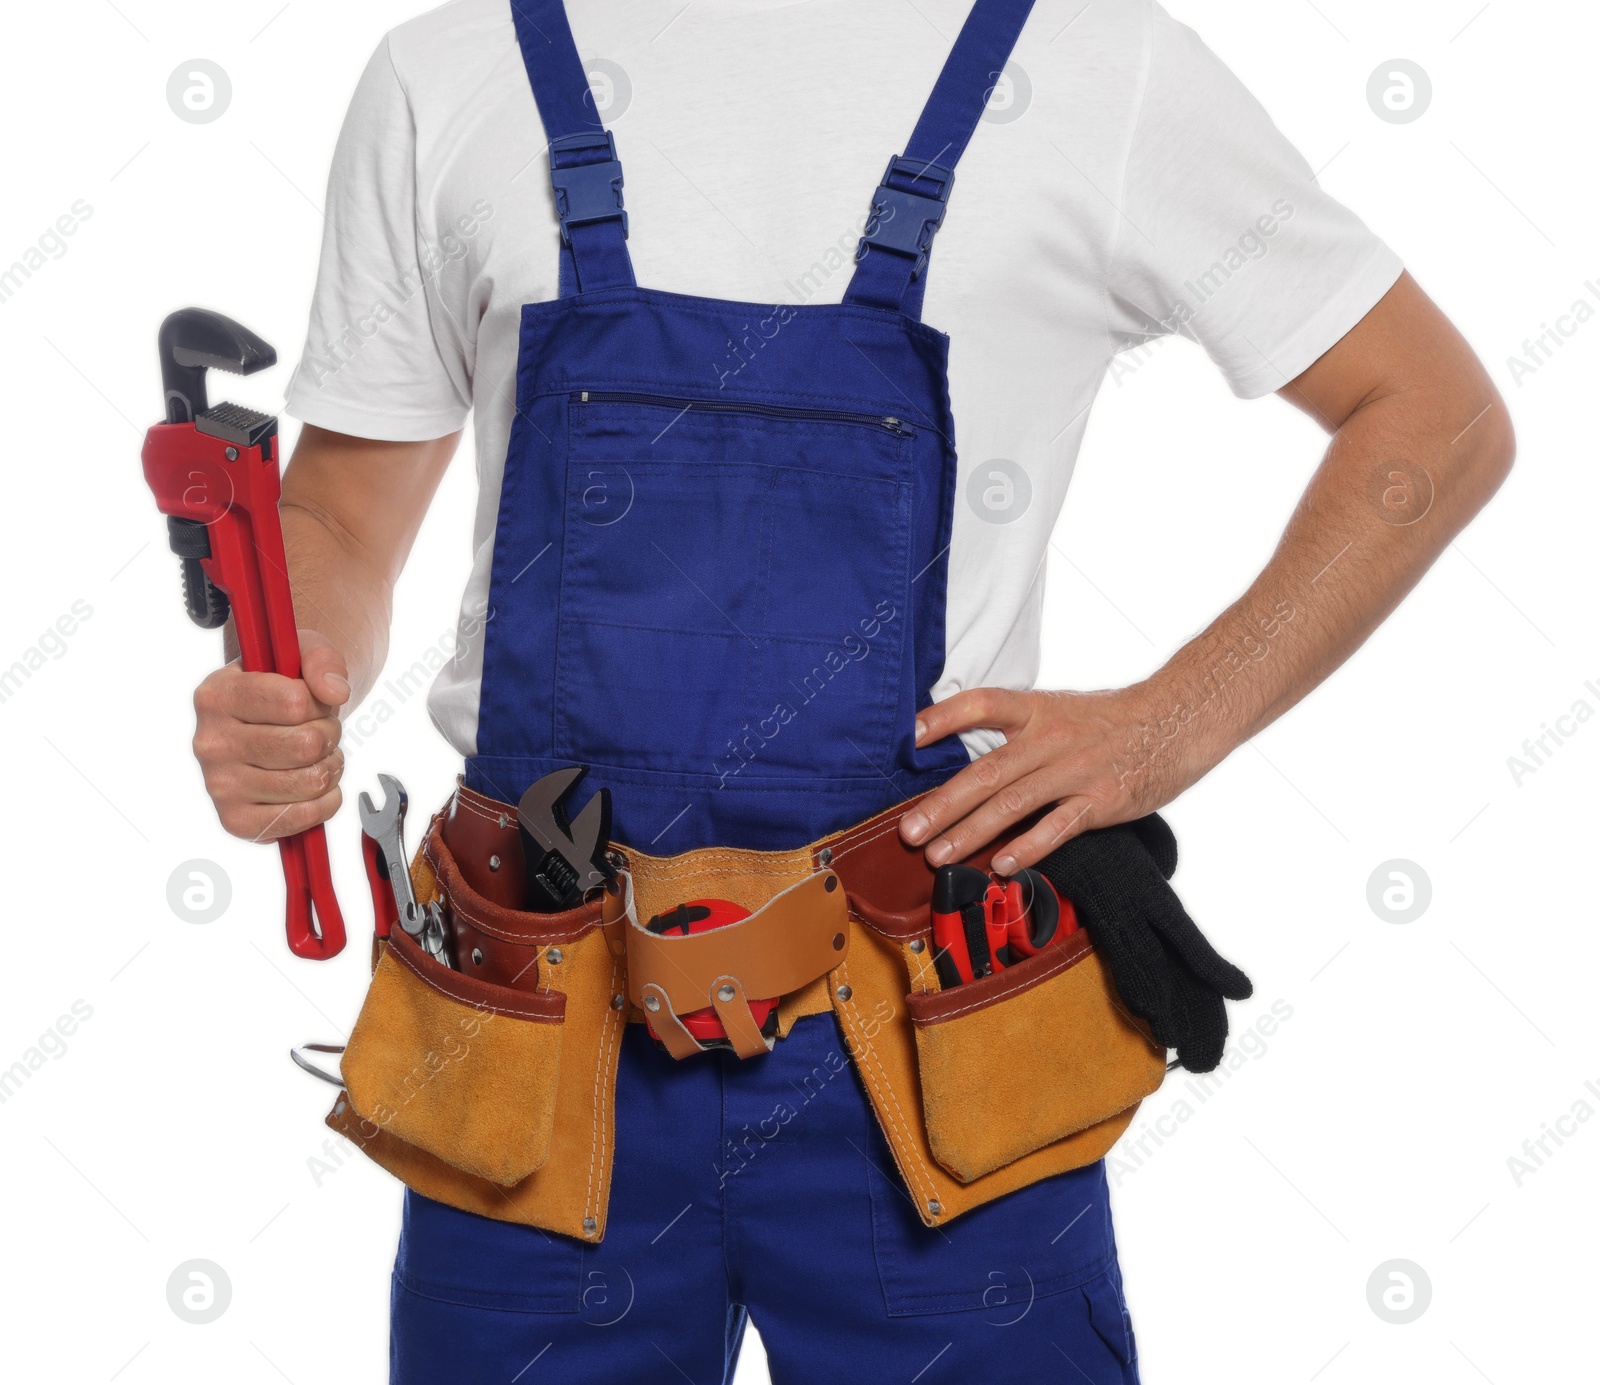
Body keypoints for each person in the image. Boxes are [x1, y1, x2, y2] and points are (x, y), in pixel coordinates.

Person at [190, 1, 1512, 1380]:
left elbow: (1436, 410)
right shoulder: (446, 70)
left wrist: (1174, 720)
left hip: (933, 1038)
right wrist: (291, 676)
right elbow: (341, 514)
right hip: (537, 1035)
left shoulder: (1097, 66)